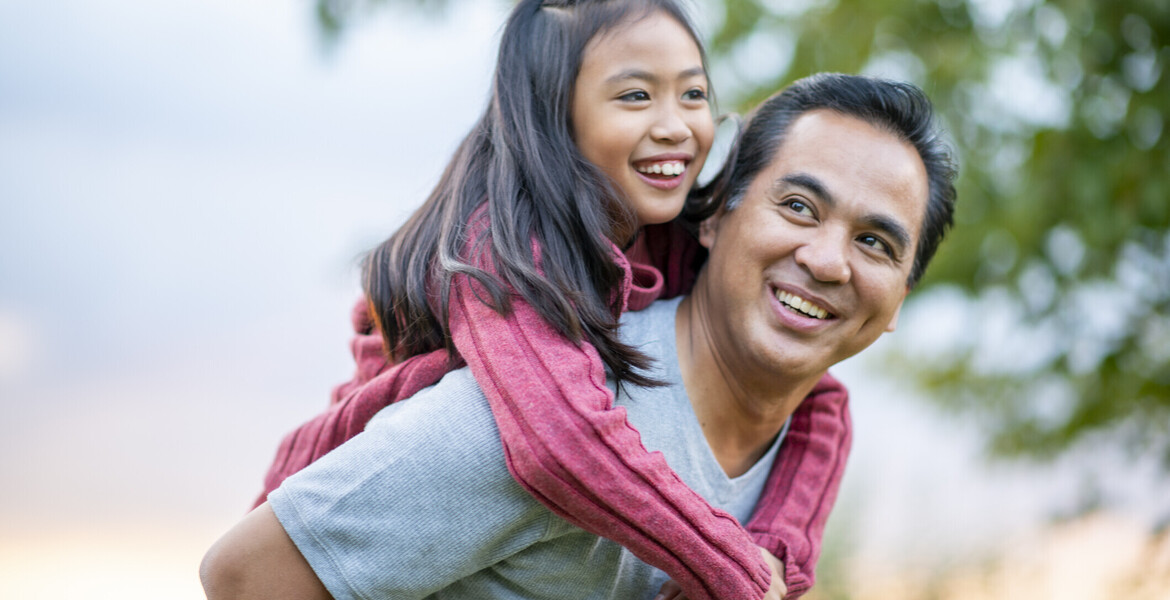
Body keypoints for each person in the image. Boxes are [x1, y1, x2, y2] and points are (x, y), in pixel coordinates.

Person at [201, 72, 959, 600]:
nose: (826, 260)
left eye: (876, 244)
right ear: (718, 213)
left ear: (898, 300)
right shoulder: (541, 409)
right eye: (798, 206)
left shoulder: (800, 449)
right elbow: (242, 575)